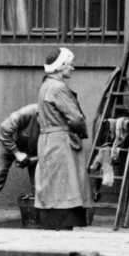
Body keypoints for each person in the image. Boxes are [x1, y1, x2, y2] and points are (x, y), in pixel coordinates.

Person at [34, 47, 90, 230]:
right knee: (65, 188)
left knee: (52, 187)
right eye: (70, 64)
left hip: (48, 140)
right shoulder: (58, 88)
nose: (72, 68)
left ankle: (54, 229)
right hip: (61, 142)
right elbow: (75, 118)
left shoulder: (46, 85)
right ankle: (63, 231)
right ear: (61, 66)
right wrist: (82, 130)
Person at [0, 103, 39, 228]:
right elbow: (4, 129)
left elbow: (50, 149)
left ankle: (39, 216)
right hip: (8, 143)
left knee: (39, 179)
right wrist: (17, 153)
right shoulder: (28, 112)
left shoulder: (55, 120)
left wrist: (31, 160)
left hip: (33, 149)